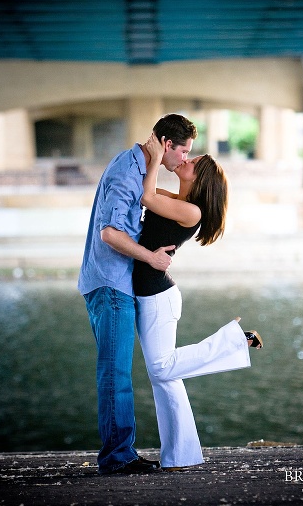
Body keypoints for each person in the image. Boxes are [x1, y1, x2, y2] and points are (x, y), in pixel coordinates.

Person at [134, 132, 264, 472]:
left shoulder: (191, 211)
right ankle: (181, 456)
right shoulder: (177, 200)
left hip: (157, 298)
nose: (186, 160)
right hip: (151, 294)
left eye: (194, 162)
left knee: (162, 368)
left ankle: (238, 339)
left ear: (201, 180)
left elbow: (146, 196)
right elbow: (142, 193)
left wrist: (157, 154)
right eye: (189, 156)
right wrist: (151, 158)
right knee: (165, 378)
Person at [78, 113, 197, 475]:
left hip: (116, 282)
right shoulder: (127, 172)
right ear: (166, 145)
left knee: (120, 371)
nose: (185, 159)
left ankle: (120, 453)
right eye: (184, 151)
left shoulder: (137, 166)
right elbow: (110, 233)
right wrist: (152, 258)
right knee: (115, 373)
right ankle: (117, 458)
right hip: (111, 283)